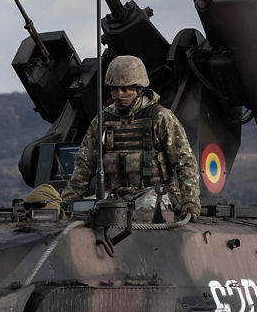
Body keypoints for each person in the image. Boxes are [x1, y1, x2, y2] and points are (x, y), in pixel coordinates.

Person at [60, 55, 200, 219]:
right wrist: (68, 202)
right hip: (114, 197)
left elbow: (185, 162)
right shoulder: (103, 120)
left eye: (126, 89)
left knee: (145, 213)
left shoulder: (160, 117)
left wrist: (190, 202)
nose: (119, 94)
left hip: (154, 194)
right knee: (86, 212)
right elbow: (84, 164)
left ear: (139, 89)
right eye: (114, 89)